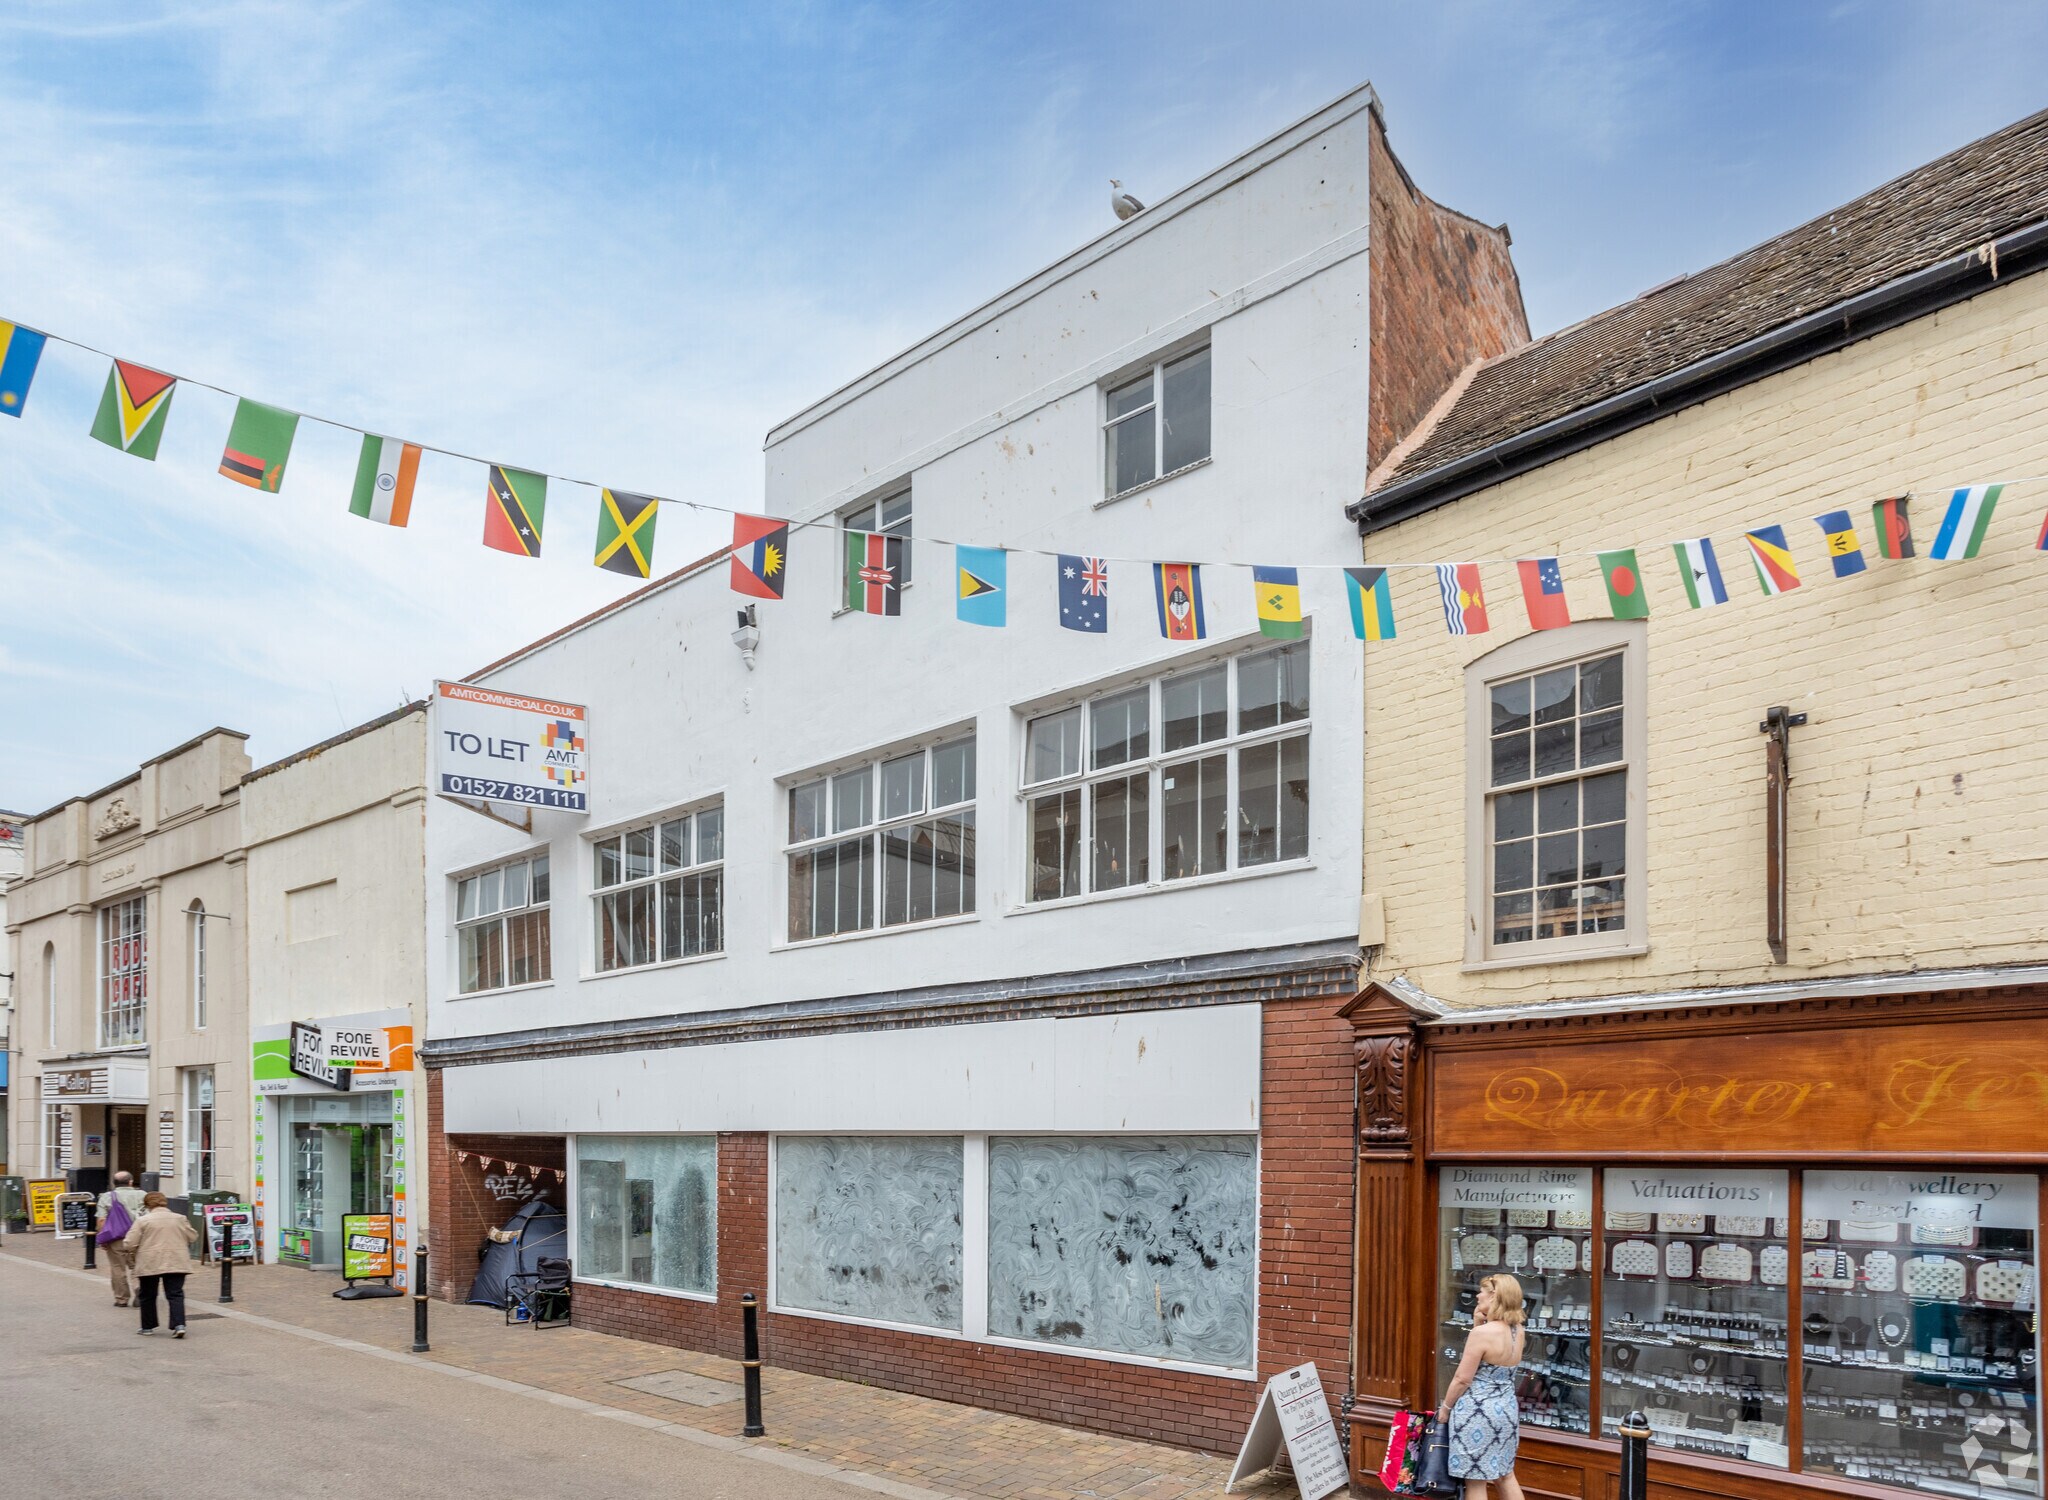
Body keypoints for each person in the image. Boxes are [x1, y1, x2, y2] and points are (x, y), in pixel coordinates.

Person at [1440, 1272, 1528, 1500]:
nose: (1478, 1296)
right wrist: (1478, 1323)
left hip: (1477, 1413)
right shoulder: (1518, 1330)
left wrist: (1445, 1408)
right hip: (1506, 1411)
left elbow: (1462, 1378)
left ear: (1495, 1297)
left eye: (1483, 1292)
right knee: (1506, 1476)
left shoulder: (1482, 1334)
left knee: (1476, 1481)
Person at [121, 1191, 198, 1338]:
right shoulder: (180, 1218)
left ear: (147, 1205)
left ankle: (147, 1326)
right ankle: (179, 1324)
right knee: (175, 1293)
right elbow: (193, 1236)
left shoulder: (143, 1221)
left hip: (150, 1260)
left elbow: (129, 1243)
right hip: (176, 1259)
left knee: (148, 1294)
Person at [96, 1170, 147, 1307]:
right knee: (137, 1266)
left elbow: (101, 1220)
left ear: (114, 1183)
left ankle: (121, 1299)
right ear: (130, 1182)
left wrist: (102, 1239)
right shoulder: (142, 1195)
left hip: (116, 1238)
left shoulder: (107, 1197)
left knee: (118, 1268)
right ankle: (139, 1289)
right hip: (138, 1237)